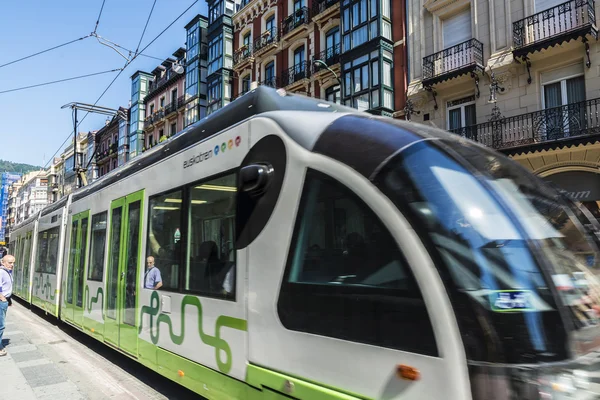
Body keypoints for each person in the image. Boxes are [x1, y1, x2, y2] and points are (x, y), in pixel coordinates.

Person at [0, 254, 15, 357]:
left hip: (5, 301)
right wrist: (3, 299)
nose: (12, 265)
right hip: (1, 302)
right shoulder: (1, 272)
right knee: (1, 326)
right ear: (3, 262)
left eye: (13, 263)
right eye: (10, 262)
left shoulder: (7, 272)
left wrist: (8, 300)